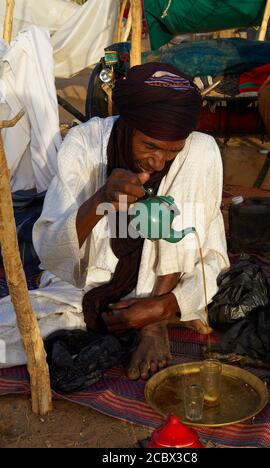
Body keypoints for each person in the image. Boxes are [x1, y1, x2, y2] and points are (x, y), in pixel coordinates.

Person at [0, 62, 229, 378]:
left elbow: (205, 252)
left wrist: (159, 311)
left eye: (172, 151)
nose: (158, 160)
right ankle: (148, 318)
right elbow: (52, 253)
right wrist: (100, 200)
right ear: (127, 124)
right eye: (150, 146)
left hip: (167, 288)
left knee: (205, 286)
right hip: (86, 286)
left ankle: (156, 323)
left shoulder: (200, 150)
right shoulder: (84, 143)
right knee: (12, 334)